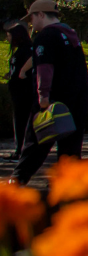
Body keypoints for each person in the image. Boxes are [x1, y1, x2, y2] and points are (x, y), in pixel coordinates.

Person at [10, 0, 88, 185]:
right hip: (76, 99)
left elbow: (44, 67)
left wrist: (43, 95)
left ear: (40, 14)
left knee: (36, 141)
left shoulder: (46, 36)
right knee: (71, 144)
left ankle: (17, 179)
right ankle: (69, 183)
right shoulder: (70, 34)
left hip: (53, 99)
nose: (30, 23)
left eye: (31, 17)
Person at [4, 20, 35, 161]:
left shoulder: (27, 49)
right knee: (19, 119)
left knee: (22, 120)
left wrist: (21, 72)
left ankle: (21, 149)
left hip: (24, 92)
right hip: (17, 91)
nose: (7, 39)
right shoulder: (21, 50)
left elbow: (33, 60)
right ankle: (20, 148)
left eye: (9, 36)